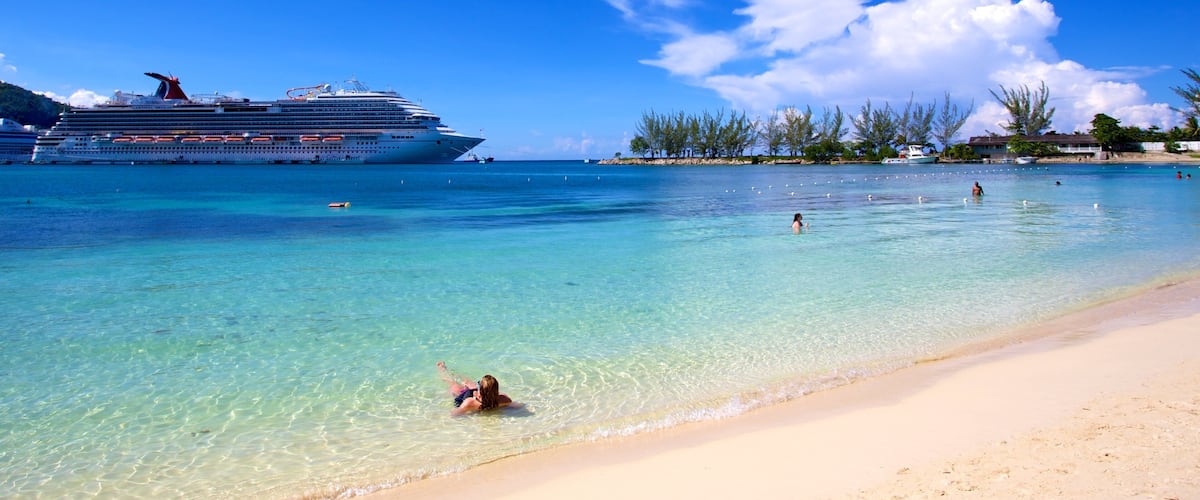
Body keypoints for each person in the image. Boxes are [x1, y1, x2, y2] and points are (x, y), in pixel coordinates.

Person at [437, 361, 519, 416]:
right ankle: (446, 370)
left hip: (464, 396)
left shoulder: (469, 403)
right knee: (467, 382)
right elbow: (517, 406)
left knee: (453, 383)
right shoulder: (504, 399)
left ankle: (442, 369)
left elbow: (454, 414)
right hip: (477, 395)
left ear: (479, 392)